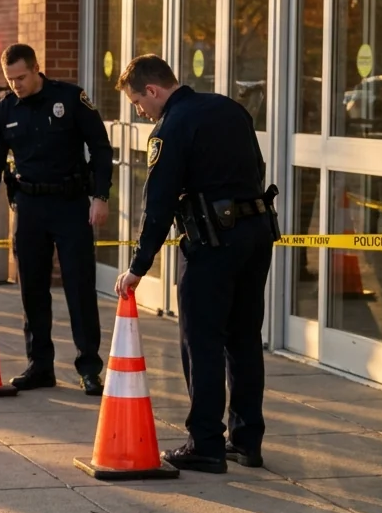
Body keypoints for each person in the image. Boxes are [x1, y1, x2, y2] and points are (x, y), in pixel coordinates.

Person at [114, 55, 276, 474]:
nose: (139, 112)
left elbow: (159, 204)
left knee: (201, 342)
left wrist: (138, 265)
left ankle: (205, 444)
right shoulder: (230, 108)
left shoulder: (171, 127)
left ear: (153, 90)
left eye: (137, 102)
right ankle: (247, 441)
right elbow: (257, 169)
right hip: (256, 235)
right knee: (244, 338)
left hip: (212, 242)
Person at [0, 43, 112, 395]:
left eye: (21, 77)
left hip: (70, 204)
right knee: (32, 289)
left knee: (79, 287)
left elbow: (100, 146)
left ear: (36, 69)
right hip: (29, 206)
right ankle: (40, 366)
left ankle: (89, 368)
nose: (15, 84)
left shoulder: (70, 98)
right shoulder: (3, 112)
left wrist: (100, 196)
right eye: (10, 79)